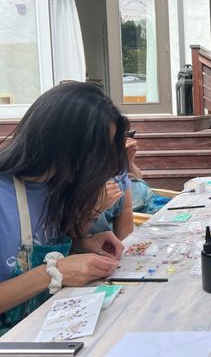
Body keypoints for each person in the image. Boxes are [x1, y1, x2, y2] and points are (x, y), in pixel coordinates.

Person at [0, 82, 127, 334]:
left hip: (54, 325)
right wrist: (52, 273)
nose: (103, 161)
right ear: (59, 141)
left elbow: (45, 246)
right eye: (97, 150)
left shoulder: (55, 187)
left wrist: (82, 244)